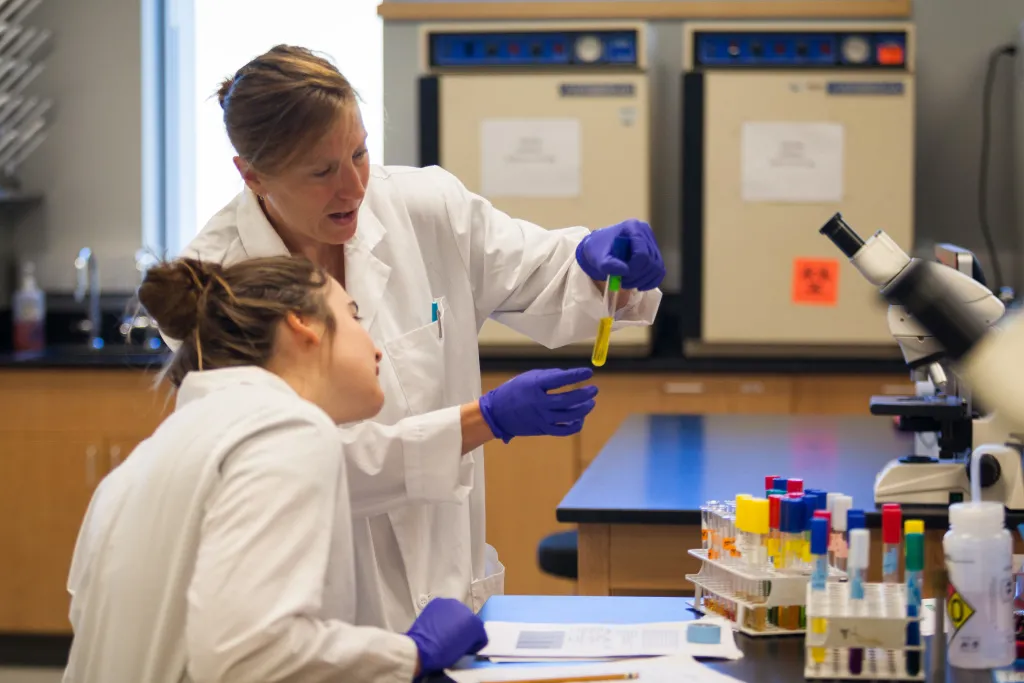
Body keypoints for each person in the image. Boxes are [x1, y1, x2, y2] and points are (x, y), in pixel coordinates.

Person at [179, 44, 666, 631]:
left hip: (448, 587)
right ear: (251, 174)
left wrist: (597, 261)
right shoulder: (215, 283)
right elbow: (294, 467)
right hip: (320, 608)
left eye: (358, 153)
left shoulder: (420, 206)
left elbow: (543, 271)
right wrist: (481, 420)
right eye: (321, 171)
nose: (354, 187)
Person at [62, 256, 488, 683]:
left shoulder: (139, 466)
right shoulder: (287, 430)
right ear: (303, 323)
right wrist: (410, 654)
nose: (375, 346)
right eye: (353, 316)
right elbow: (248, 656)